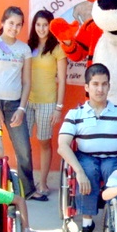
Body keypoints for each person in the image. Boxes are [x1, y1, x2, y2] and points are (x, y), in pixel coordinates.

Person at [58, 63, 117, 232]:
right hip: (85, 157)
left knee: (114, 173)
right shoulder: (75, 114)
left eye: (104, 84)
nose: (100, 89)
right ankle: (87, 224)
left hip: (114, 157)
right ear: (87, 87)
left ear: (109, 86)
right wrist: (79, 172)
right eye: (95, 84)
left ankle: (116, 219)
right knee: (88, 172)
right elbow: (63, 145)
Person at [0, 6, 47, 201]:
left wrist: (22, 108)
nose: (14, 28)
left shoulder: (24, 49)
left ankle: (29, 190)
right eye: (11, 23)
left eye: (18, 25)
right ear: (3, 23)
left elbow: (27, 82)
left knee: (23, 148)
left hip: (14, 105)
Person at [27, 10, 67, 195]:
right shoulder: (28, 47)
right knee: (23, 143)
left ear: (51, 27)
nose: (41, 29)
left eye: (45, 25)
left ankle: (42, 183)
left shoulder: (57, 48)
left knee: (44, 142)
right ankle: (26, 184)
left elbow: (63, 80)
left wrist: (59, 107)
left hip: (47, 103)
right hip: (26, 102)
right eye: (38, 25)